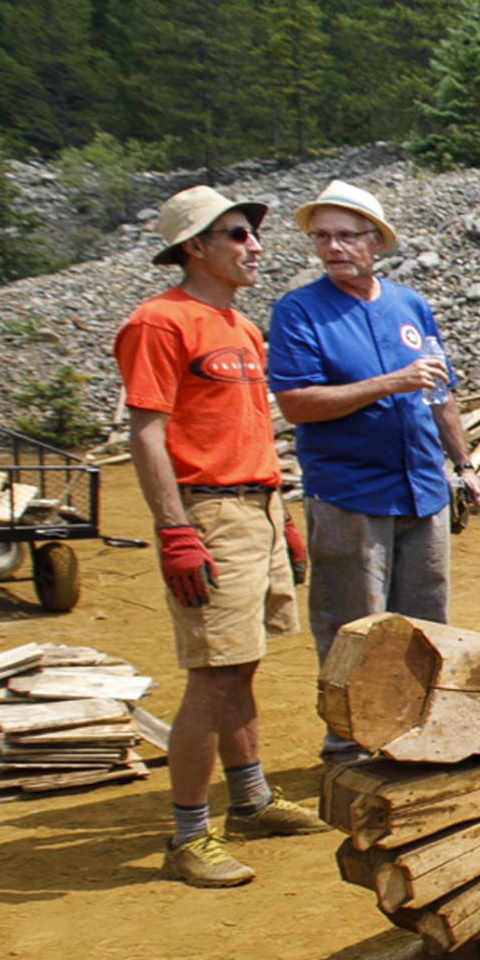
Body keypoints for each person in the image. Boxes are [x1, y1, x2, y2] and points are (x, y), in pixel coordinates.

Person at [114, 186, 331, 886]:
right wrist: (175, 529)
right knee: (210, 677)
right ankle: (186, 835)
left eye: (251, 234)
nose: (254, 246)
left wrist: (280, 512)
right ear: (193, 248)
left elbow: (248, 429)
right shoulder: (160, 323)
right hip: (207, 513)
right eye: (236, 235)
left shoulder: (240, 329)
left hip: (256, 509)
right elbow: (146, 432)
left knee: (242, 664)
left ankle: (251, 800)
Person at [265, 181, 480, 764]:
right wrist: (389, 384)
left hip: (422, 489)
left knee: (425, 623)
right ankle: (350, 748)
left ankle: (418, 736)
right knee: (354, 628)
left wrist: (462, 464)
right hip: (350, 494)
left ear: (376, 241)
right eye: (322, 237)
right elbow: (296, 404)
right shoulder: (299, 312)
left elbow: (441, 393)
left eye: (346, 236)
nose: (333, 248)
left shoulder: (408, 305)